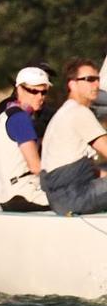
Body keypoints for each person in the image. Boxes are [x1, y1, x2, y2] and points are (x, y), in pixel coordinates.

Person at [39, 58, 107, 215]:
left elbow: (83, 170)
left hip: (62, 198)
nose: (96, 85)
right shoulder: (79, 112)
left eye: (97, 79)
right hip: (74, 197)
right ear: (72, 84)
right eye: (89, 80)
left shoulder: (65, 111)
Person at [0, 66, 51, 212]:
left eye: (44, 92)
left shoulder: (6, 115)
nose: (40, 96)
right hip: (25, 196)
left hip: (7, 197)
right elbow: (36, 167)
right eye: (34, 91)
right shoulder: (21, 119)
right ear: (19, 90)